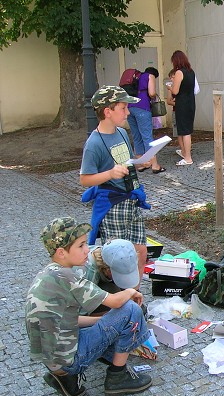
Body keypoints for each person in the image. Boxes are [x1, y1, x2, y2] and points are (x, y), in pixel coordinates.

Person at [25, 217, 152, 396]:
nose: (87, 249)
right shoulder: (71, 277)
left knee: (115, 318)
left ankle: (65, 378)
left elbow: (68, 319)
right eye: (81, 245)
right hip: (70, 358)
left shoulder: (48, 273)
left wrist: (103, 321)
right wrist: (131, 291)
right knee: (131, 309)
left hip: (54, 360)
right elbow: (117, 302)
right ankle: (118, 377)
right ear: (61, 252)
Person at [80, 85, 151, 289]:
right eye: (123, 108)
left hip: (131, 200)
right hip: (113, 206)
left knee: (140, 252)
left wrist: (140, 162)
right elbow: (85, 179)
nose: (127, 112)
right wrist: (110, 174)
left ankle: (135, 296)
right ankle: (120, 299)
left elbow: (125, 161)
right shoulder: (94, 143)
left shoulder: (121, 132)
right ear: (107, 111)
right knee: (118, 258)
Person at [127, 67, 165, 174]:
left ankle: (141, 165)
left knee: (136, 136)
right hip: (142, 107)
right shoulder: (150, 76)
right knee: (147, 136)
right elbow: (152, 93)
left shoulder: (136, 77)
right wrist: (153, 97)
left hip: (129, 107)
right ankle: (155, 165)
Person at [166, 50, 196, 166]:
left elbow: (175, 91)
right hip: (190, 103)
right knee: (187, 130)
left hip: (182, 104)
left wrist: (169, 88)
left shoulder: (179, 72)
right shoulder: (191, 72)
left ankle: (187, 157)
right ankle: (186, 154)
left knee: (184, 131)